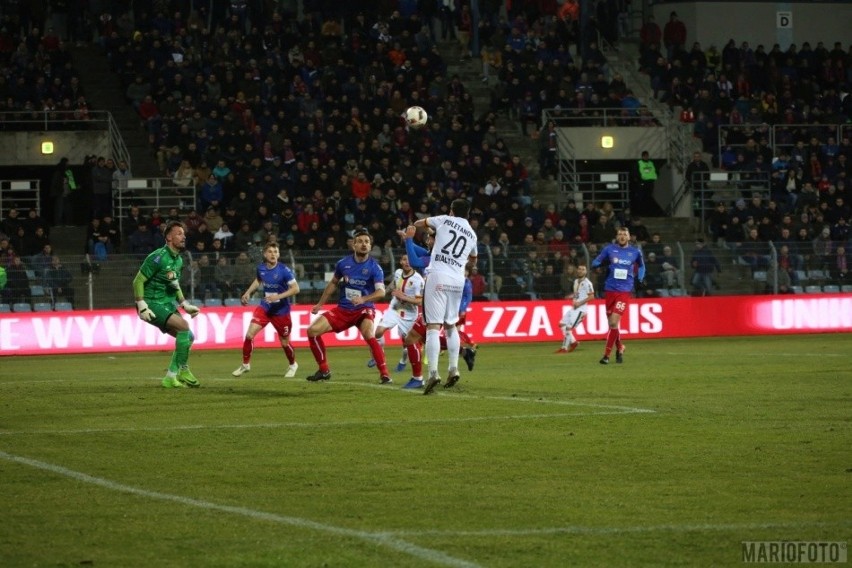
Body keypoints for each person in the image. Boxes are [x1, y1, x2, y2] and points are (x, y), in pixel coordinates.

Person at [305, 228, 392, 385]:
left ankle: (385, 374)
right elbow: (333, 283)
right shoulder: (343, 264)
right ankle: (324, 370)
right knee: (312, 331)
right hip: (343, 310)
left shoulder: (375, 267)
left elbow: (381, 292)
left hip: (363, 309)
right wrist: (320, 304)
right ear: (354, 245)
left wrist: (364, 298)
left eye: (367, 242)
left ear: (370, 246)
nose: (364, 244)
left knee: (369, 334)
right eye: (360, 242)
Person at [413, 198, 478, 394]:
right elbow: (473, 260)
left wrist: (430, 230)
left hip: (438, 275)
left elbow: (418, 224)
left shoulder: (444, 220)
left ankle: (433, 372)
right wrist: (463, 264)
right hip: (458, 280)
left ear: (451, 210)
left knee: (433, 326)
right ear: (468, 213)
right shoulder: (472, 234)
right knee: (451, 325)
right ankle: (453, 369)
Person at [131, 221, 202, 389]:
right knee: (184, 327)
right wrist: (141, 304)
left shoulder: (178, 260)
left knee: (188, 337)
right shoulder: (157, 257)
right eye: (179, 233)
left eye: (184, 234)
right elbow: (138, 281)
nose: (183, 236)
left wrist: (184, 304)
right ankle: (184, 370)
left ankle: (170, 377)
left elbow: (173, 284)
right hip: (150, 303)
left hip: (166, 302)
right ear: (169, 237)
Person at [232, 242, 300, 378]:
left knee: (285, 343)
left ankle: (293, 364)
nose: (273, 254)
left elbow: (296, 289)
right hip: (265, 307)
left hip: (281, 311)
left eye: (276, 251)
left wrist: (278, 297)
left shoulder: (284, 270)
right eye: (270, 251)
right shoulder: (261, 268)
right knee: (249, 335)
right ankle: (245, 364)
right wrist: (248, 293)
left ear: (279, 254)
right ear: (264, 254)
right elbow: (258, 280)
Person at [365, 253, 425, 387]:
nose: (407, 262)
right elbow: (393, 284)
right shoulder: (398, 272)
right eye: (404, 259)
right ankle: (379, 355)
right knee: (378, 332)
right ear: (400, 261)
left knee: (409, 344)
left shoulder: (418, 280)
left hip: (409, 314)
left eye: (409, 260)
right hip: (394, 309)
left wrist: (403, 297)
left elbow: (420, 301)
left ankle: (406, 364)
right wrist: (383, 292)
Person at [591, 227, 645, 365]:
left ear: (629, 237)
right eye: (620, 234)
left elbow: (642, 266)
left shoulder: (635, 252)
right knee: (612, 325)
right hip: (609, 289)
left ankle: (606, 356)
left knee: (614, 322)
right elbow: (595, 262)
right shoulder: (609, 249)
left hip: (624, 290)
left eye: (624, 234)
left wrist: (640, 278)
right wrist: (602, 263)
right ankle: (620, 347)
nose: (622, 236)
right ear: (616, 236)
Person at [556, 263, 594, 353]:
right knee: (561, 324)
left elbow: (592, 297)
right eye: (579, 269)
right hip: (574, 308)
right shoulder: (576, 281)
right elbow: (578, 294)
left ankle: (564, 348)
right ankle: (573, 342)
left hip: (581, 309)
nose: (580, 271)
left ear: (586, 271)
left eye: (583, 269)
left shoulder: (587, 283)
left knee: (569, 327)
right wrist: (570, 296)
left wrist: (579, 303)